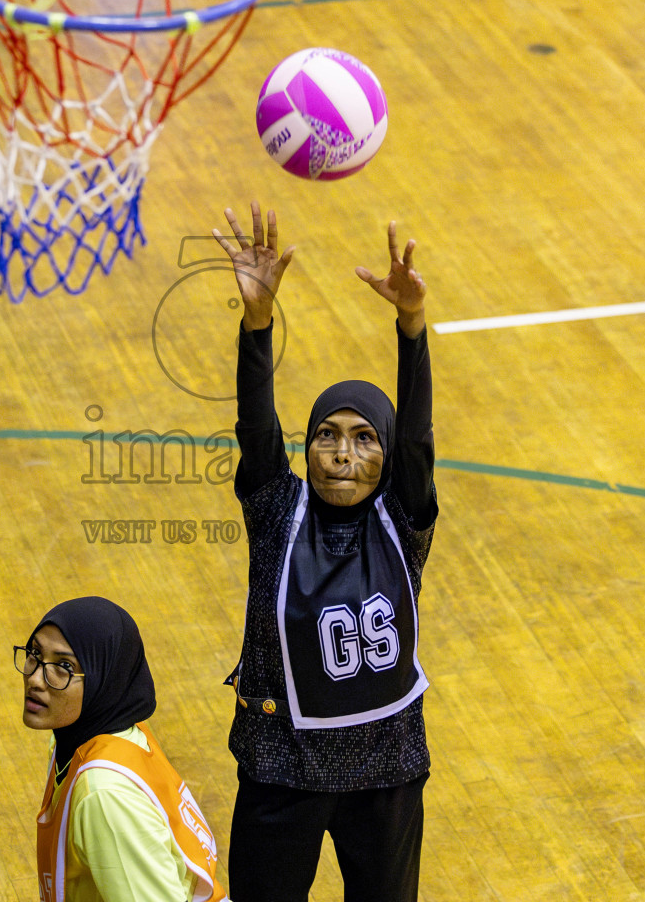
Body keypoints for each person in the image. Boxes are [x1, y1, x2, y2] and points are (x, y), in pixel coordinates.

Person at [211, 202, 437, 902]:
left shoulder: (406, 519)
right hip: (281, 766)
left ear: (387, 454)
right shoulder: (277, 510)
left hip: (386, 771)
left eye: (365, 437)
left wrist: (411, 328)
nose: (342, 452)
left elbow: (419, 436)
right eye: (327, 435)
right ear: (305, 447)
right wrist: (257, 322)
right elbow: (255, 426)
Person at [19, 596, 227, 902]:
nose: (35, 679)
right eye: (34, 654)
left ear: (104, 679)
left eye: (64, 666)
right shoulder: (97, 738)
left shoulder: (103, 796)